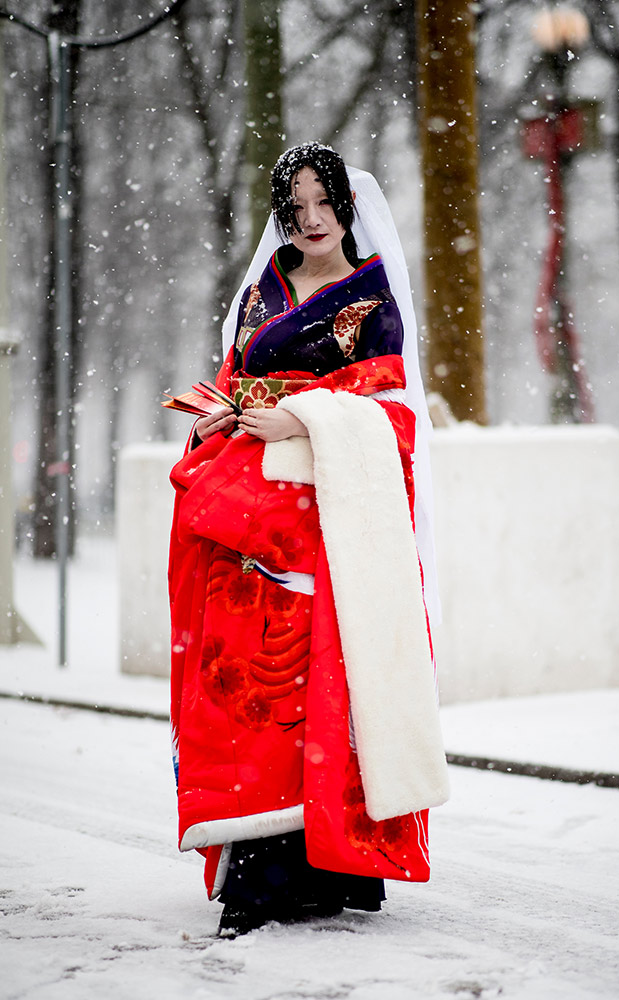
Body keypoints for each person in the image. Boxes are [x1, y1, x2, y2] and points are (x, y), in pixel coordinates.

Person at [168, 142, 448, 938]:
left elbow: (392, 416)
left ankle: (325, 865)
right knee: (237, 694)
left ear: (346, 206)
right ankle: (255, 871)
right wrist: (219, 410)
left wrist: (301, 417)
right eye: (296, 207)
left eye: (324, 203)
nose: (312, 220)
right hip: (238, 518)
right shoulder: (262, 291)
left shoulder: (371, 301)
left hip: (324, 524)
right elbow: (233, 374)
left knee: (311, 690)